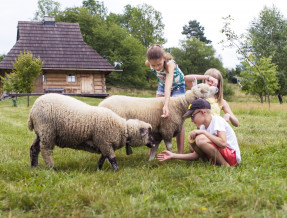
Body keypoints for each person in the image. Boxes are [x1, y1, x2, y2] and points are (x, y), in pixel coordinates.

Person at [157, 98, 241, 167]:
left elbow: (223, 143)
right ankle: (218, 163)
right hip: (223, 155)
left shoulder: (217, 120)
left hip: (231, 157)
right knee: (196, 143)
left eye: (192, 116)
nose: (192, 120)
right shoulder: (203, 127)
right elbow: (196, 155)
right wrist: (173, 155)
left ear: (202, 112)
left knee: (200, 139)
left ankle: (226, 166)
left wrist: (203, 133)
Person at [145, 44, 185, 153]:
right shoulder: (148, 63)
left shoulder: (170, 65)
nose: (157, 68)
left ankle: (180, 152)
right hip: (162, 85)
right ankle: (152, 148)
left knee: (178, 119)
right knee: (156, 114)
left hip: (177, 86)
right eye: (154, 66)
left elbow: (169, 86)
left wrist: (166, 105)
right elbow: (164, 85)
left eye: (159, 64)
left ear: (164, 58)